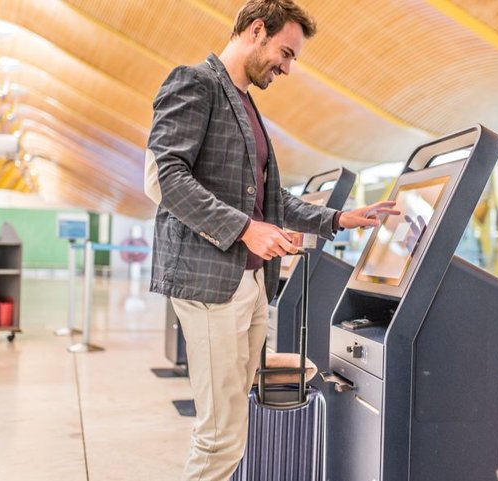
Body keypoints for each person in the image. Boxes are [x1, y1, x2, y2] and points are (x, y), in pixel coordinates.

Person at [145, 1, 398, 479]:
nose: (287, 66)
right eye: (285, 52)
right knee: (220, 437)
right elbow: (165, 177)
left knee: (232, 425)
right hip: (210, 285)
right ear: (256, 30)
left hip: (248, 284)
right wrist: (244, 229)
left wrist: (341, 218)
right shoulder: (195, 82)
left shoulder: (245, 103)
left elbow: (269, 198)